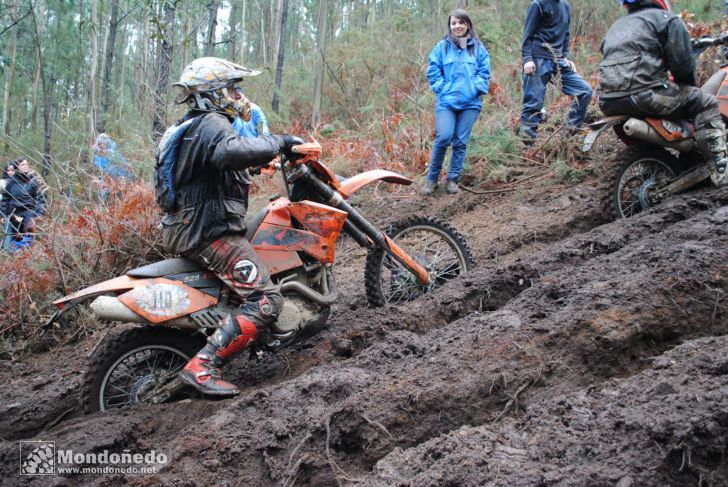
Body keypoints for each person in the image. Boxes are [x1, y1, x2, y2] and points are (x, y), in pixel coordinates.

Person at [156, 57, 303, 396]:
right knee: (266, 299)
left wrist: (252, 169)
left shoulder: (188, 127)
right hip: (210, 230)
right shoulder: (210, 123)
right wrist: (280, 142)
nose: (238, 96)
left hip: (191, 225)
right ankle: (203, 366)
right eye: (233, 88)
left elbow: (212, 169)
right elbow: (228, 152)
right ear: (214, 92)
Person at [598, 0, 728, 185]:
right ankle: (720, 168)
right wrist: (690, 91)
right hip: (644, 95)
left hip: (608, 101)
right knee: (707, 102)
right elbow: (682, 67)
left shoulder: (616, 27)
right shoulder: (666, 20)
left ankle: (655, 169)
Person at [421, 9, 491, 196]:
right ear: (450, 26)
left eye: (461, 22)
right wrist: (442, 88)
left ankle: (453, 180)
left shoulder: (478, 47)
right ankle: (431, 180)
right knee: (444, 137)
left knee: (460, 141)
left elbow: (484, 72)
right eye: (453, 23)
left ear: (467, 24)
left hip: (470, 104)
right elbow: (433, 70)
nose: (457, 26)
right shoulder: (442, 47)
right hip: (447, 102)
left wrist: (476, 89)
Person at [520, 0, 593, 141]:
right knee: (533, 105)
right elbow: (527, 35)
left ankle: (569, 139)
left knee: (584, 91)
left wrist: (564, 57)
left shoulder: (565, 6)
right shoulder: (538, 5)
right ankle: (527, 145)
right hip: (538, 59)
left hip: (558, 61)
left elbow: (565, 34)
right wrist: (527, 59)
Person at [0, 158, 46, 251]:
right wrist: (2, 215)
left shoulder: (34, 181)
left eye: (26, 164)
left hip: (29, 213)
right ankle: (14, 257)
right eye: (22, 165)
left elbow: (40, 198)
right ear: (17, 168)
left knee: (28, 237)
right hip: (14, 213)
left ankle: (25, 256)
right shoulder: (11, 182)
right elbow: (5, 199)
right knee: (12, 238)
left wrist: (39, 213)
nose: (25, 166)